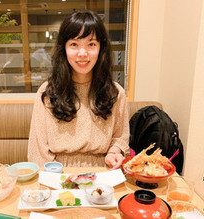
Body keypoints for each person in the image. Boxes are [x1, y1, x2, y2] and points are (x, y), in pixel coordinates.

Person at [28, 10, 130, 169]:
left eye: (91, 44)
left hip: (102, 172)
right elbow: (38, 151)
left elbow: (120, 138)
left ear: (100, 48)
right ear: (64, 48)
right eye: (74, 44)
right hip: (58, 173)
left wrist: (113, 153)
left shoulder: (115, 93)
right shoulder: (47, 92)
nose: (83, 53)